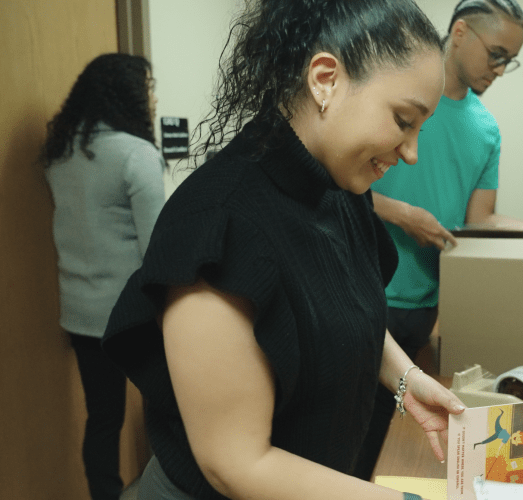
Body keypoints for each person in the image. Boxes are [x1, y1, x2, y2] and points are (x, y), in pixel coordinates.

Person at [101, 1, 466, 499]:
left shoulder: (341, 190)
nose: (411, 152)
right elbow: (237, 464)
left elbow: (336, 312)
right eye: (404, 120)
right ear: (325, 79)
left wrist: (407, 378)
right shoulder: (218, 224)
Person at [354, 0, 523, 479]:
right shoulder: (395, 100)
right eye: (496, 53)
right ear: (461, 32)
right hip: (363, 287)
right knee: (353, 437)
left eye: (509, 59)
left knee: (406, 443)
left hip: (425, 303)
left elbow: (483, 219)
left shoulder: (484, 127)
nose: (500, 69)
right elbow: (339, 185)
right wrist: (404, 214)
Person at [42, 53, 165, 500]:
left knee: (103, 420)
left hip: (80, 315)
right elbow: (159, 252)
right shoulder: (137, 154)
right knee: (167, 411)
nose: (153, 99)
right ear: (128, 94)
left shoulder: (62, 151)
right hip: (133, 315)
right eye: (149, 89)